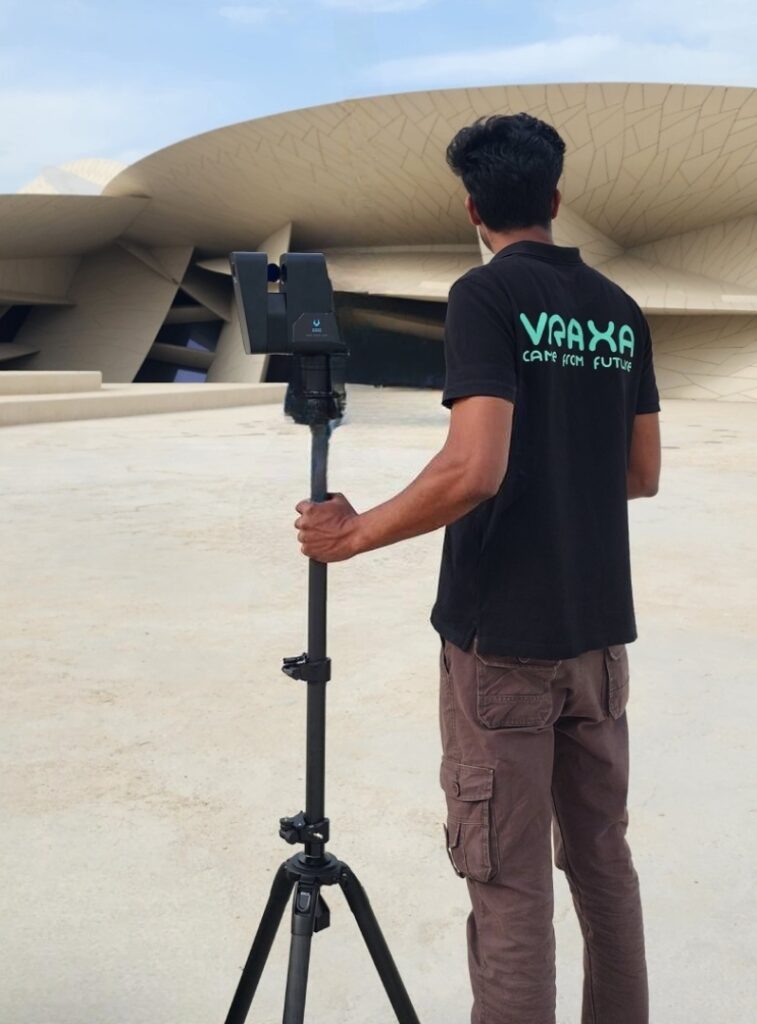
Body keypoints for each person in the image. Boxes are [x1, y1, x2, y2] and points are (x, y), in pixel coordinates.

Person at [292, 112, 660, 1024]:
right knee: (602, 861)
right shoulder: (618, 309)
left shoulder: (484, 295)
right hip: (597, 642)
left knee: (507, 880)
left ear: (472, 206)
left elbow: (473, 467)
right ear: (555, 198)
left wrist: (355, 533)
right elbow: (639, 474)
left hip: (502, 644)